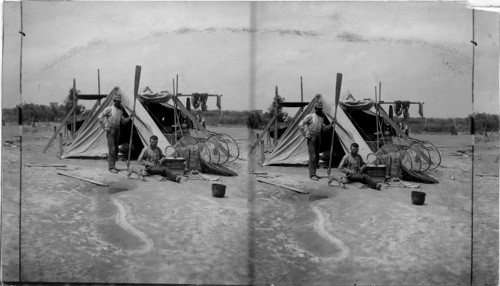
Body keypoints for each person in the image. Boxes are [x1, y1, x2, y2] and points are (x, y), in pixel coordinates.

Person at [98, 91, 134, 173]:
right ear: (114, 101)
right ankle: (111, 167)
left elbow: (124, 122)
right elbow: (99, 117)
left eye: (120, 101)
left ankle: (113, 165)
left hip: (118, 129)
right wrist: (104, 127)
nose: (119, 102)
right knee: (112, 149)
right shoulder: (109, 109)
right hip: (111, 129)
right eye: (118, 101)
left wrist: (130, 116)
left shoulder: (120, 111)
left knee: (116, 149)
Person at [298, 100, 333, 181]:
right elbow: (300, 124)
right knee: (313, 157)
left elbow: (325, 129)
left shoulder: (321, 119)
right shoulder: (310, 116)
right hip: (312, 138)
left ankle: (314, 173)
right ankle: (312, 174)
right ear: (315, 108)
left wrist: (331, 124)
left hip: (319, 137)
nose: (320, 110)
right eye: (318, 108)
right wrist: (305, 135)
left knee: (317, 157)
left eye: (321, 109)